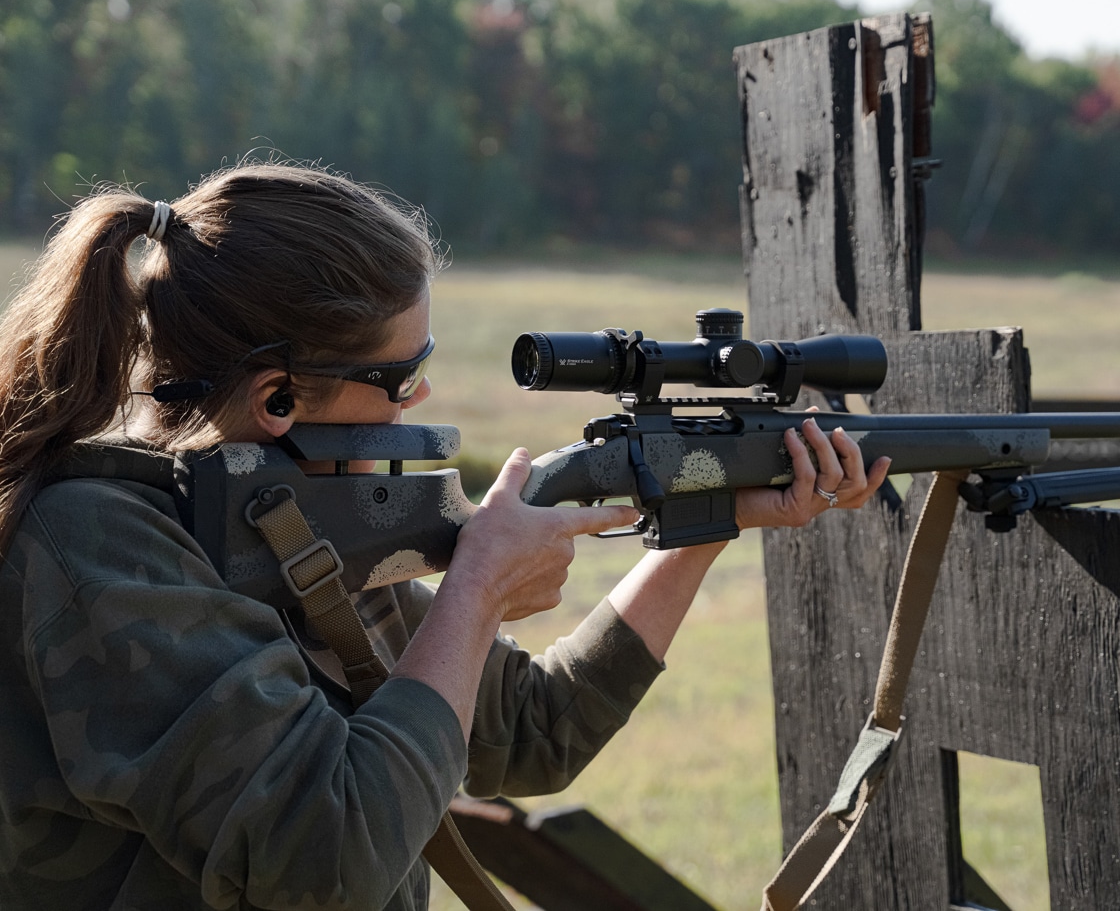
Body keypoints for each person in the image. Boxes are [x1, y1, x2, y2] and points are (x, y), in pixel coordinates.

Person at [0, 162, 891, 910]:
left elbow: (535, 729)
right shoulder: (97, 548)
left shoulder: (289, 529)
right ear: (279, 398)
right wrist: (474, 591)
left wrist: (710, 517)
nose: (419, 398)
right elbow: (328, 856)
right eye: (401, 376)